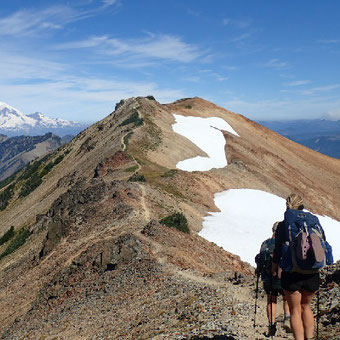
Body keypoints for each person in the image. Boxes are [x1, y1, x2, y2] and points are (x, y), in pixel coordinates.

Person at [272, 194, 321, 340]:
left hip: (291, 272)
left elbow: (278, 250)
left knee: (295, 310)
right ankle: (310, 337)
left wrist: (274, 267)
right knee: (306, 307)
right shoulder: (314, 221)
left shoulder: (284, 224)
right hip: (312, 271)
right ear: (302, 206)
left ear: (287, 206)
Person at [256, 222, 291, 336]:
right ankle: (287, 318)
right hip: (282, 275)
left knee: (271, 300)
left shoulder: (265, 243)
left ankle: (272, 325)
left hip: (268, 277)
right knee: (286, 297)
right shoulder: (285, 242)